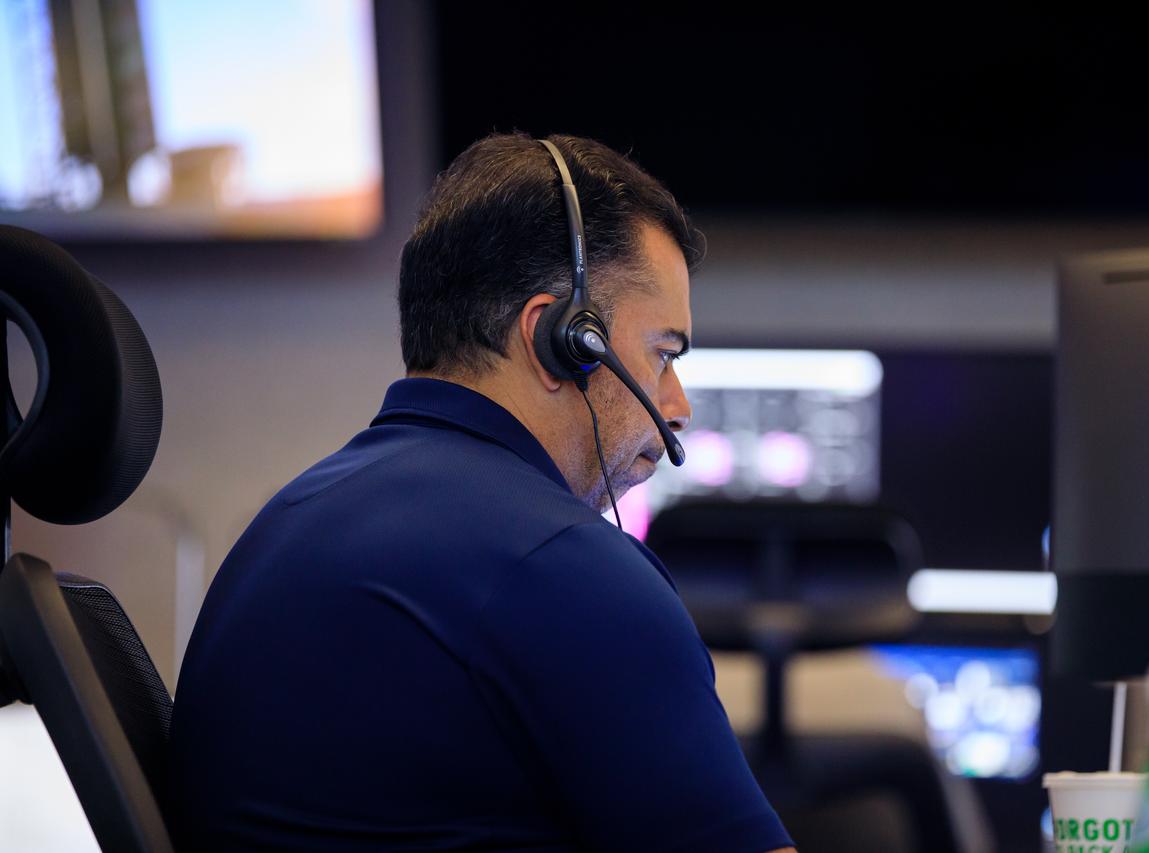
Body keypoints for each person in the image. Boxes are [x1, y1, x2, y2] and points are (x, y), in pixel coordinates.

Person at [169, 132, 796, 853]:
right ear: (562, 338)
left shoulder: (288, 520)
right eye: (662, 355)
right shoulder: (562, 569)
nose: (677, 405)